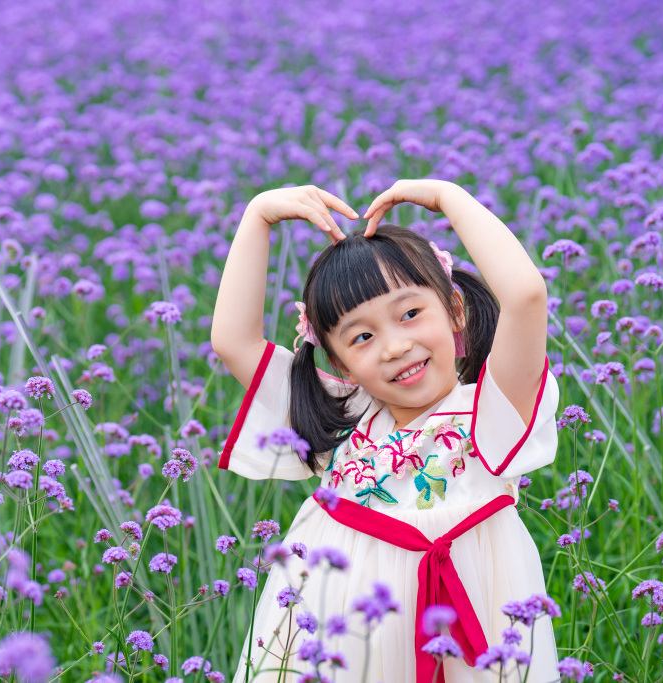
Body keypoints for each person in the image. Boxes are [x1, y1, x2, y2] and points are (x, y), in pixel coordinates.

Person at [210, 179, 560, 683]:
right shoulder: (341, 420)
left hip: (468, 635)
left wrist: (448, 198)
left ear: (455, 311)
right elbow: (233, 341)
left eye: (412, 314)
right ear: (340, 363)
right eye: (363, 337)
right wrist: (258, 216)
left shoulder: (490, 417)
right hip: (345, 639)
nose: (395, 346)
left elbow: (526, 294)